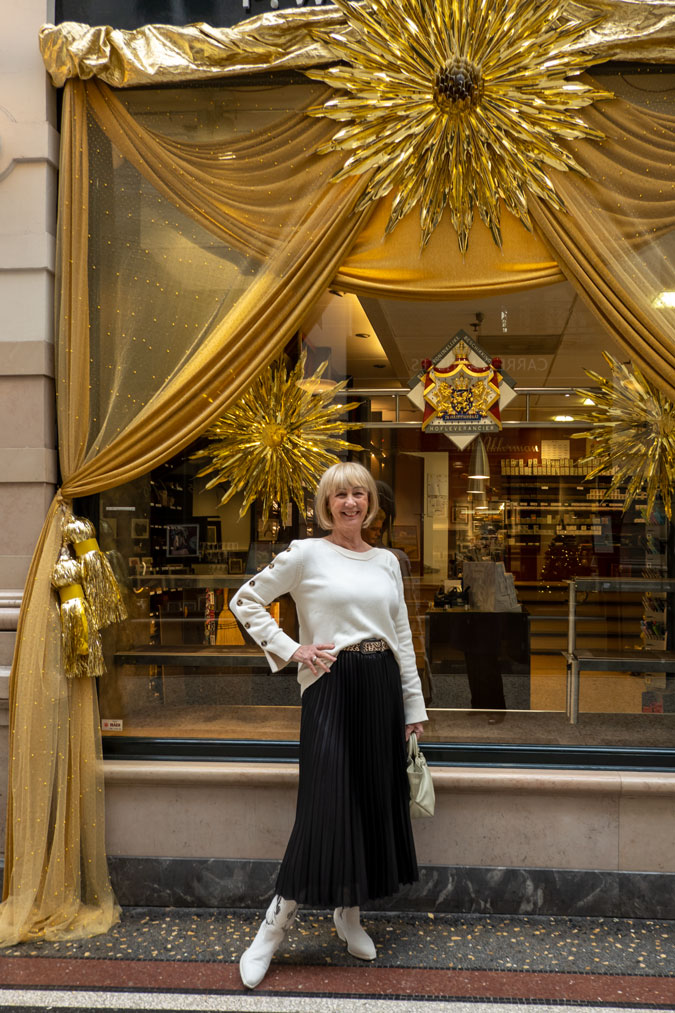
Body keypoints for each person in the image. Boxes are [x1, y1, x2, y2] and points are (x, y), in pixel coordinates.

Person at [230, 461, 428, 989]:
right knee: (324, 806)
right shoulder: (305, 553)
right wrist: (292, 648)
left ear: (370, 503)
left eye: (359, 493)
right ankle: (272, 928)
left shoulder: (387, 561)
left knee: (368, 800)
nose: (350, 503)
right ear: (326, 504)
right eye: (340, 495)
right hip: (331, 685)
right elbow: (245, 600)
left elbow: (402, 637)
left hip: (381, 687)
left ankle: (349, 913)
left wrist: (413, 708)